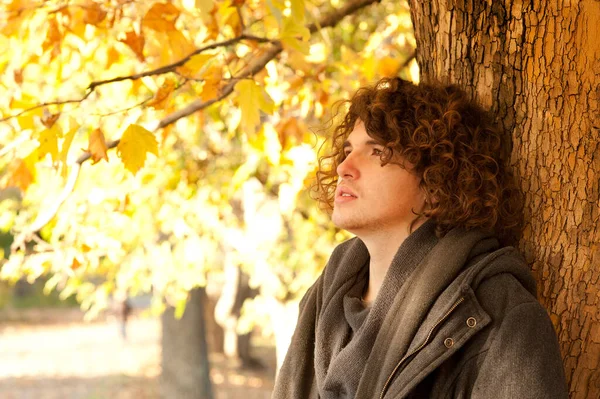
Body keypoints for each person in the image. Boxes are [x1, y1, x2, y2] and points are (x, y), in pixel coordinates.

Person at [272, 77, 568, 398]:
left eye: (377, 152)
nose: (344, 166)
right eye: (347, 150)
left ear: (437, 183)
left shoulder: (502, 319)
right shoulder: (323, 301)